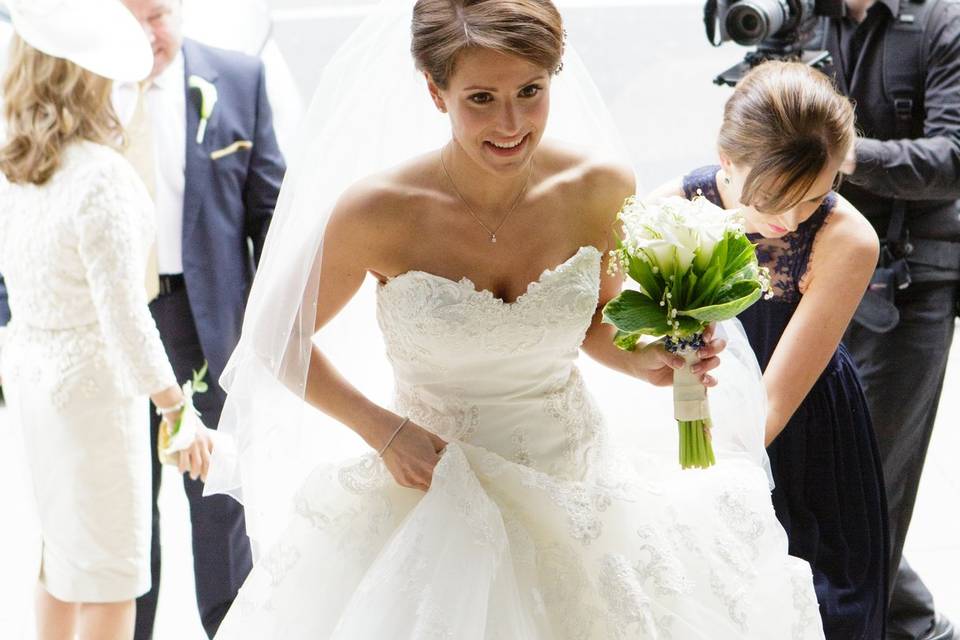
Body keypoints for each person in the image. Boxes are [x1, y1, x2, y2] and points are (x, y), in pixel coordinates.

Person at [203, 1, 827, 637]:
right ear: (433, 89)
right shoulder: (378, 211)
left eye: (531, 91)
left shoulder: (599, 186)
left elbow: (596, 325)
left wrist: (649, 362)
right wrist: (384, 432)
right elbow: (272, 339)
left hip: (579, 484)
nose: (511, 123)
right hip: (434, 488)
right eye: (480, 98)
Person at [653, 61, 888, 638]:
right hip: (684, 411)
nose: (787, 221)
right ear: (726, 158)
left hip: (802, 428)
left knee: (816, 603)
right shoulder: (666, 213)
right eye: (774, 198)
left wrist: (707, 486)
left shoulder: (848, 240)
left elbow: (773, 405)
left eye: (812, 198)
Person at [0, 1, 210, 638]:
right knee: (115, 575)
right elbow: (124, 317)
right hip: (94, 397)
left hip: (37, 387)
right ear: (89, 76)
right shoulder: (102, 178)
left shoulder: (18, 171)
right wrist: (176, 409)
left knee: (61, 559)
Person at [113, 1, 286, 637]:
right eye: (126, 19)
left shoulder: (238, 78)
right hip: (113, 322)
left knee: (218, 500)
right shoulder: (80, 84)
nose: (143, 35)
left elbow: (270, 214)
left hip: (204, 319)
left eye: (154, 15)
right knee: (126, 503)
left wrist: (273, 328)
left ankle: (230, 629)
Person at [817, 1, 960, 638]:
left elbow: (952, 158)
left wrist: (841, 151)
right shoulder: (803, 16)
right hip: (816, 267)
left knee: (868, 480)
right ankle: (917, 627)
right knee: (822, 471)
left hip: (911, 280)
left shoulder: (941, 22)